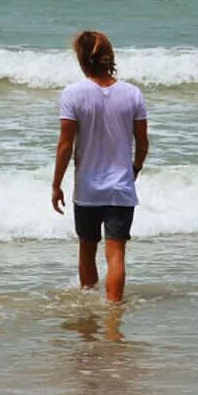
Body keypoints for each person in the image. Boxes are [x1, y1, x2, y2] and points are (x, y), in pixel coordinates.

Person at [52, 31, 149, 303]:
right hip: (120, 186)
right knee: (116, 253)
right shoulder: (132, 94)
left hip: (87, 188)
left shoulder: (73, 94)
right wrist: (135, 168)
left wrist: (56, 184)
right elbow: (142, 142)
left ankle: (88, 305)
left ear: (82, 59)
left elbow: (65, 145)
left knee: (87, 248)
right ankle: (113, 314)